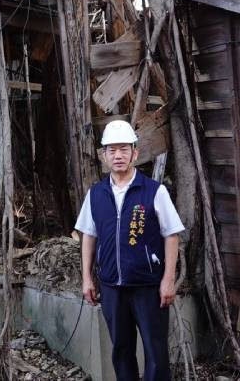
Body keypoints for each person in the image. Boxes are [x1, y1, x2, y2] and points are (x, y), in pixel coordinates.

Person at [74, 120, 184, 381]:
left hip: (148, 286)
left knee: (155, 352)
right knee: (121, 351)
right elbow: (89, 235)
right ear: (104, 156)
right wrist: (87, 278)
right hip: (112, 286)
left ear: (135, 153)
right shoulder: (96, 194)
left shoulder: (154, 191)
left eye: (124, 149)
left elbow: (172, 235)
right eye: (111, 150)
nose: (118, 155)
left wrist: (168, 280)